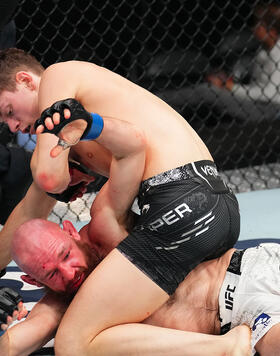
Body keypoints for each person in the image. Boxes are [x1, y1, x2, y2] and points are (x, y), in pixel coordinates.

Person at [0, 47, 240, 355]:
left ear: (27, 81)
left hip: (179, 204)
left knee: (74, 342)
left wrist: (54, 173)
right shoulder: (72, 134)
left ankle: (226, 348)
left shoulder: (57, 77)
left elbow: (48, 178)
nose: (14, 127)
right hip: (213, 206)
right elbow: (31, 210)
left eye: (9, 112)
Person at [0, 218, 253, 356]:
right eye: (52, 273)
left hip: (247, 273)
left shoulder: (111, 229)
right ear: (34, 282)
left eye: (66, 255)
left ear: (70, 231)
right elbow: (13, 346)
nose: (69, 272)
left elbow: (133, 153)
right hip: (237, 328)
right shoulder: (63, 306)